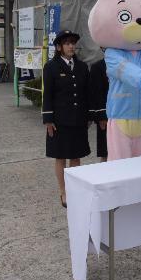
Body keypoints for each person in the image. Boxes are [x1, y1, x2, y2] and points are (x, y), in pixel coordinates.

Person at [42, 30, 91, 208]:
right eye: (67, 43)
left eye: (73, 43)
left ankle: (75, 189)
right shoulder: (51, 67)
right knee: (61, 156)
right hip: (59, 120)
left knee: (76, 156)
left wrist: (89, 115)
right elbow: (47, 95)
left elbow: (86, 93)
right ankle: (63, 191)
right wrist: (48, 119)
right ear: (59, 47)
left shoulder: (82, 66)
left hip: (78, 119)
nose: (71, 46)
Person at [89, 52, 109, 162]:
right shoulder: (98, 67)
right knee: (105, 151)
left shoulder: (125, 65)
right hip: (105, 116)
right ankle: (105, 177)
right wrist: (101, 116)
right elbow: (96, 93)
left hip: (122, 114)